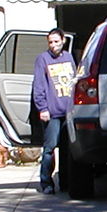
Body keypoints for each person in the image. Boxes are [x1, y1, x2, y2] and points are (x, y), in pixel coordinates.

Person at [31, 28, 75, 193]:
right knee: (49, 148)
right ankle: (46, 183)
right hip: (52, 112)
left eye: (57, 41)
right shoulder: (42, 59)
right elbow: (39, 86)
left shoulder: (69, 57)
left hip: (68, 112)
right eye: (50, 42)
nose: (54, 45)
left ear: (63, 40)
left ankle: (65, 183)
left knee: (66, 150)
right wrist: (42, 108)